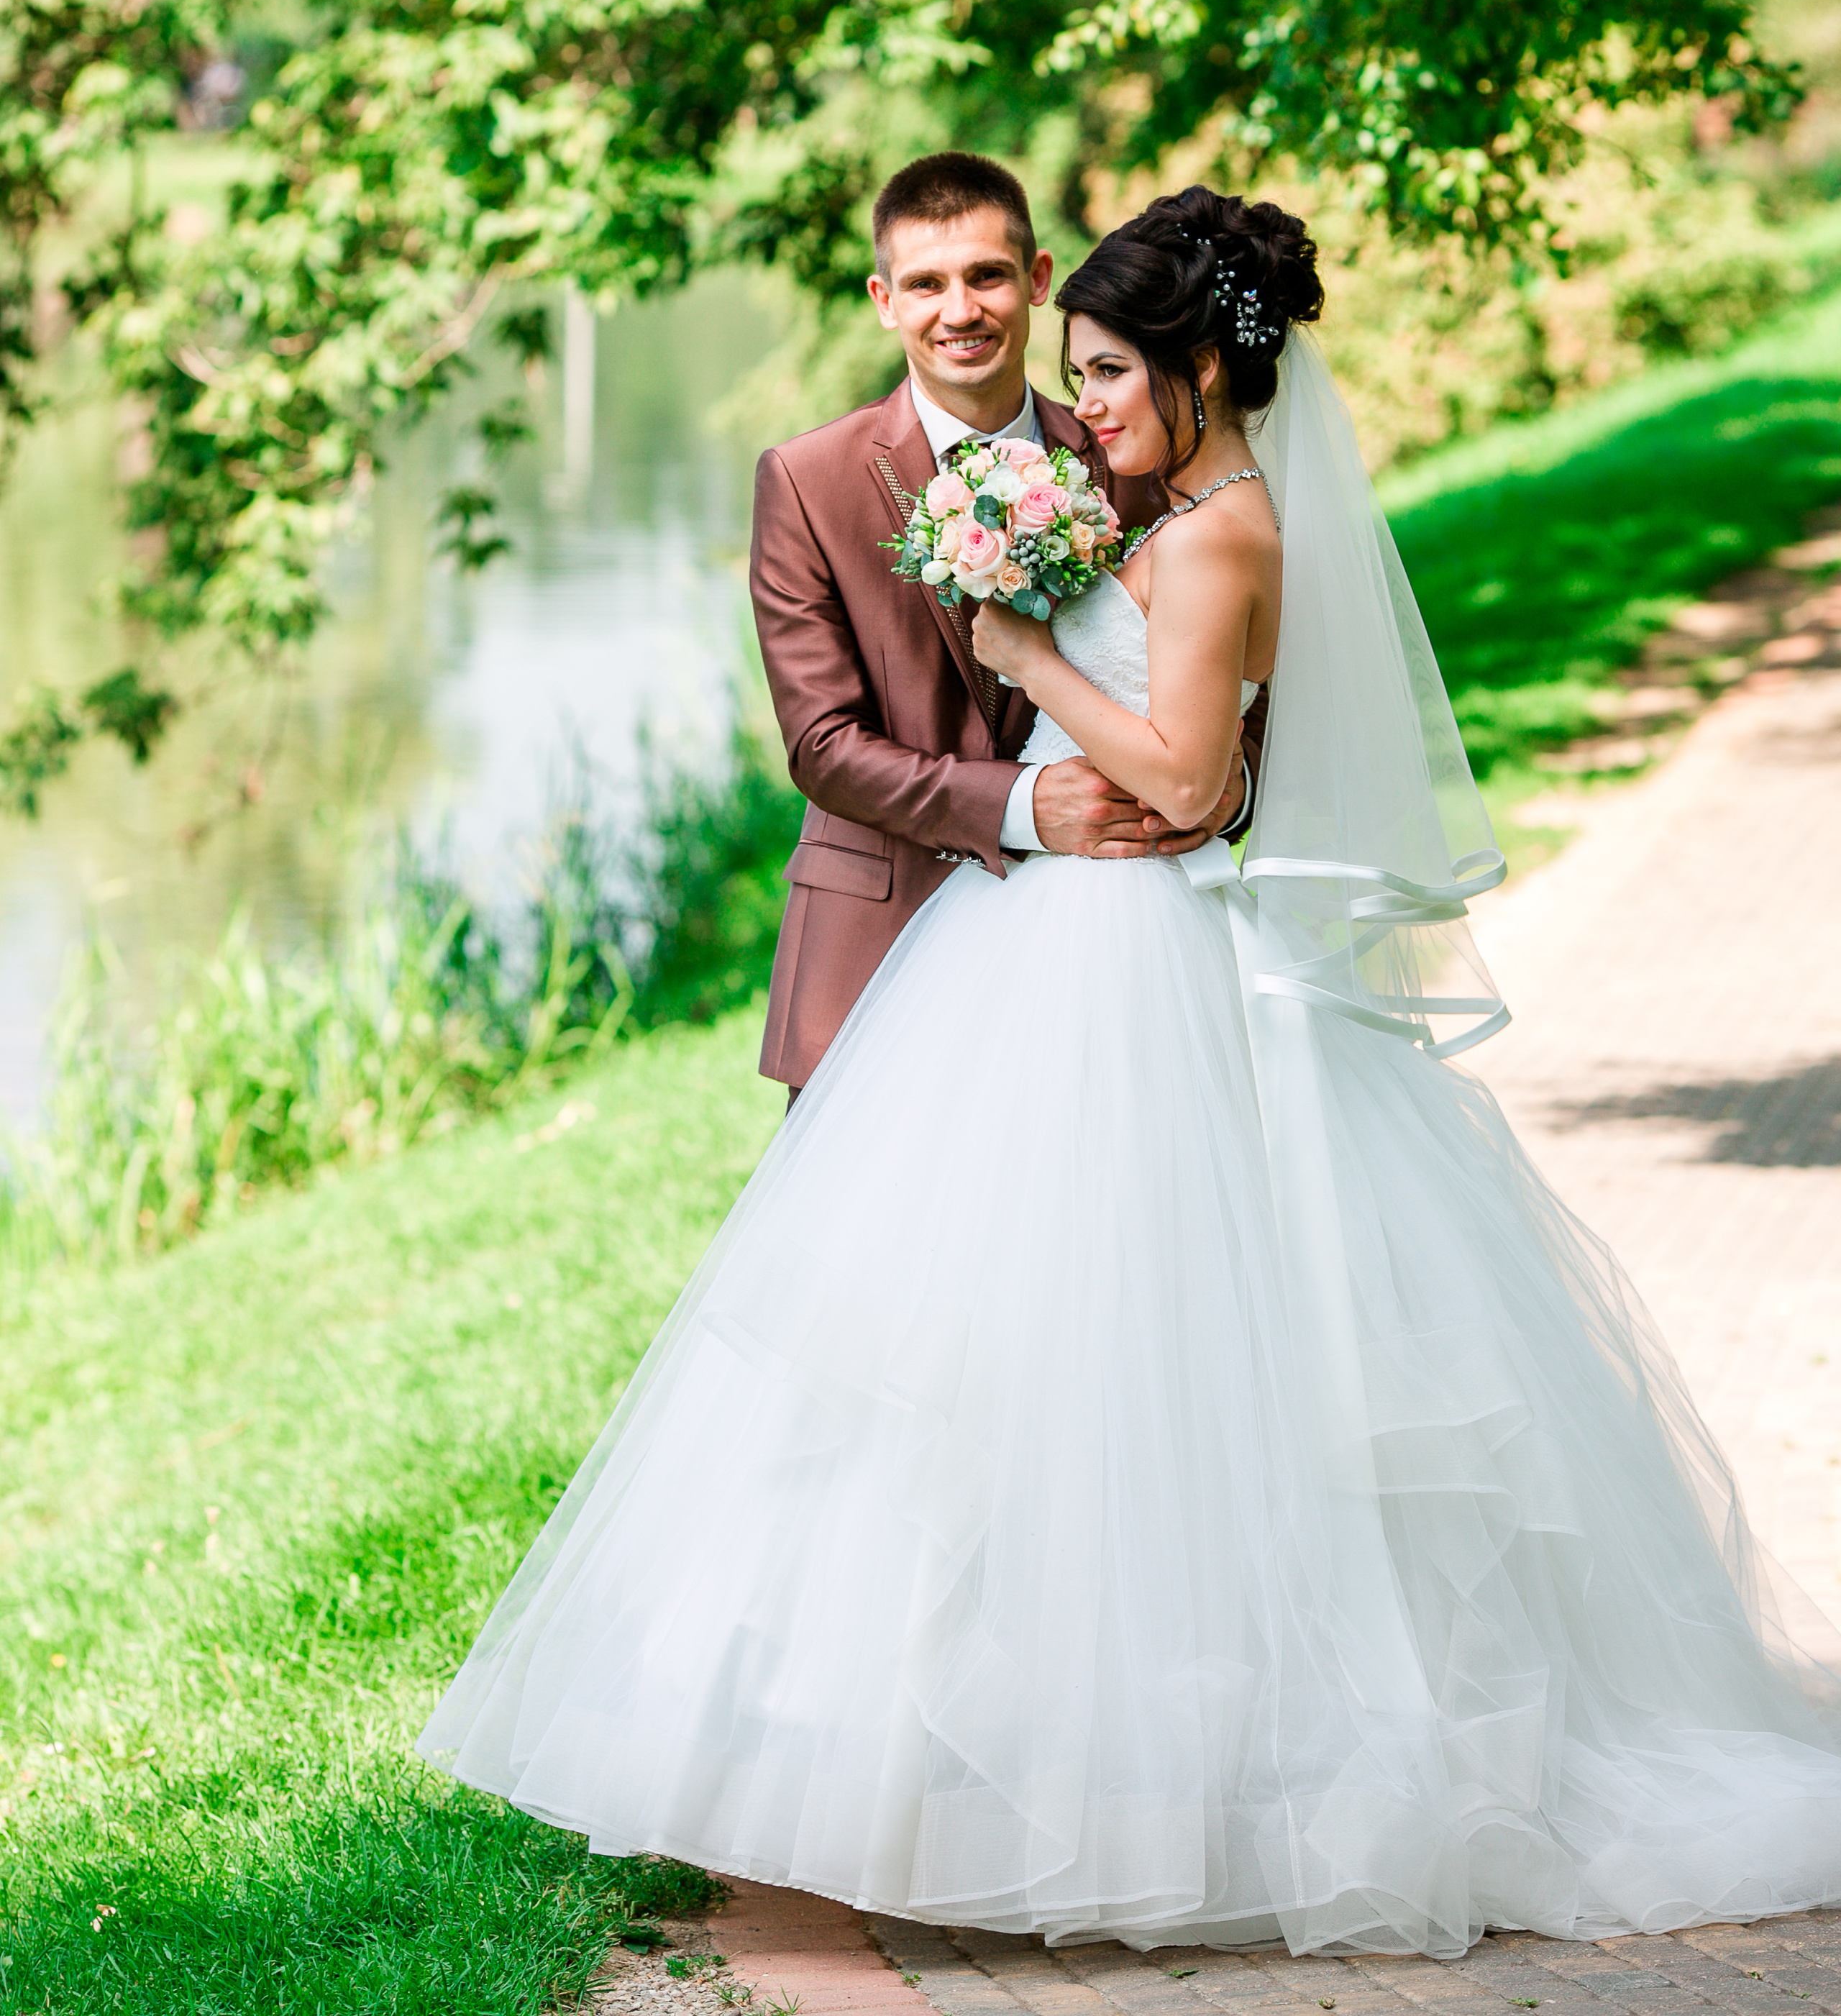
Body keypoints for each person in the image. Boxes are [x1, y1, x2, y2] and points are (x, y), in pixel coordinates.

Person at [420, 185, 1841, 1958]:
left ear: (1184, 367)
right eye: (1059, 359)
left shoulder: (1191, 514)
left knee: (1142, 1366)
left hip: (1126, 956)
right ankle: (905, 1756)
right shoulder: (1024, 490)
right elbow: (847, 739)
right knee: (962, 1359)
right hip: (1001, 941)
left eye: (1092, 360)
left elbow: (1193, 770)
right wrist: (1053, 769)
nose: (1069, 391)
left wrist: (1036, 663)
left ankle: (1140, 1781)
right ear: (882, 296)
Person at [747, 149, 1251, 1100]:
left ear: (1038, 279)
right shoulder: (808, 481)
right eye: (925, 284)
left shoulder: (1131, 454)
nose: (960, 310)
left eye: (986, 275)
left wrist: (1227, 791)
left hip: (1101, 952)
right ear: (884, 299)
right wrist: (1022, 807)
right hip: (877, 945)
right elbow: (822, 745)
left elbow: (1230, 661)